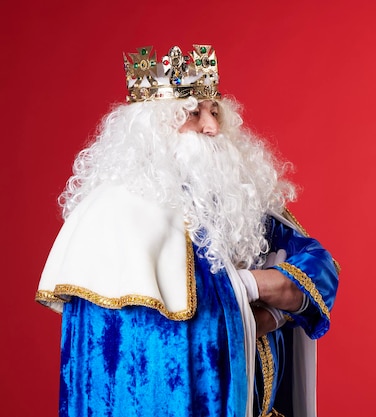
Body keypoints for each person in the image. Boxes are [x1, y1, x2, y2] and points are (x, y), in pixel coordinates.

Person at [36, 44, 339, 417]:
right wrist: (259, 301)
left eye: (215, 111)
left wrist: (255, 293)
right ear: (151, 129)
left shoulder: (236, 202)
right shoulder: (112, 216)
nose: (212, 127)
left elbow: (321, 268)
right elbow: (152, 355)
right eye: (193, 113)